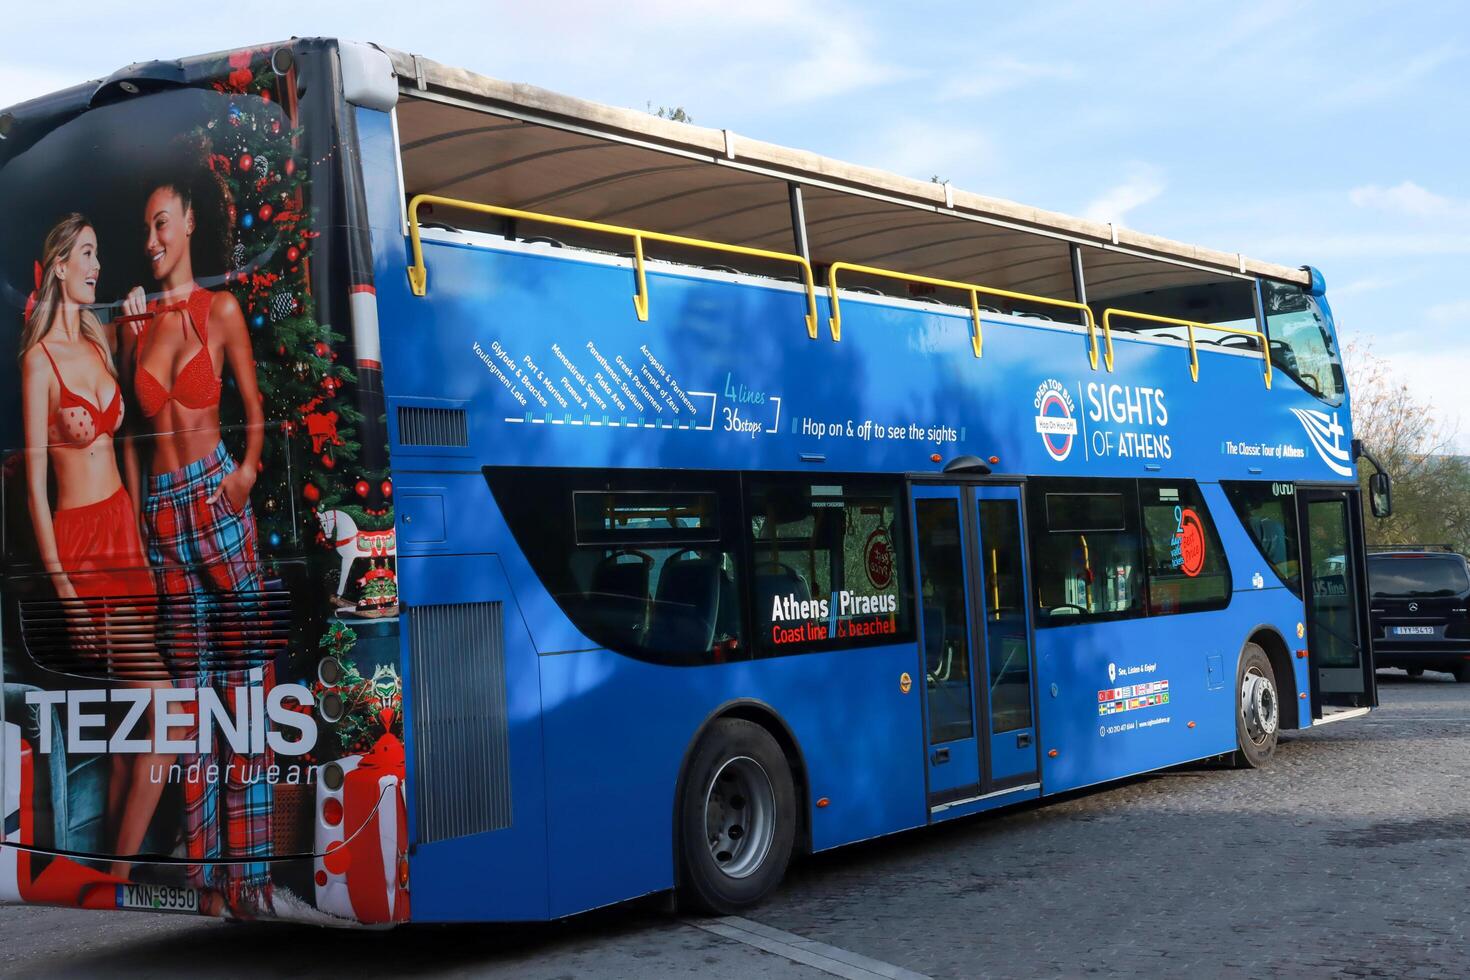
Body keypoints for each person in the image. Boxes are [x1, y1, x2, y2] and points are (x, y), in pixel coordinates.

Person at [119, 173, 272, 911]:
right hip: (165, 515)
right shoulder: (137, 319)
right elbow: (127, 431)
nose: (150, 242)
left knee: (244, 694)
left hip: (216, 501)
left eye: (160, 226)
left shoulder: (221, 310)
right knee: (189, 705)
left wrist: (246, 472)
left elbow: (254, 406)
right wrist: (137, 520)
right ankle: (210, 883)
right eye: (145, 232)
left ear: (187, 224)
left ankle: (253, 873)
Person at [19, 213, 171, 880]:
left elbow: (131, 434)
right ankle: (118, 878)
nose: (97, 266)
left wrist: (136, 330)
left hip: (124, 534)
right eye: (86, 255)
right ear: (58, 266)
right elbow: (34, 488)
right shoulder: (38, 362)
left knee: (136, 724)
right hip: (83, 549)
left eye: (99, 255)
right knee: (169, 712)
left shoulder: (101, 337)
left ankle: (106, 865)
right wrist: (66, 593)